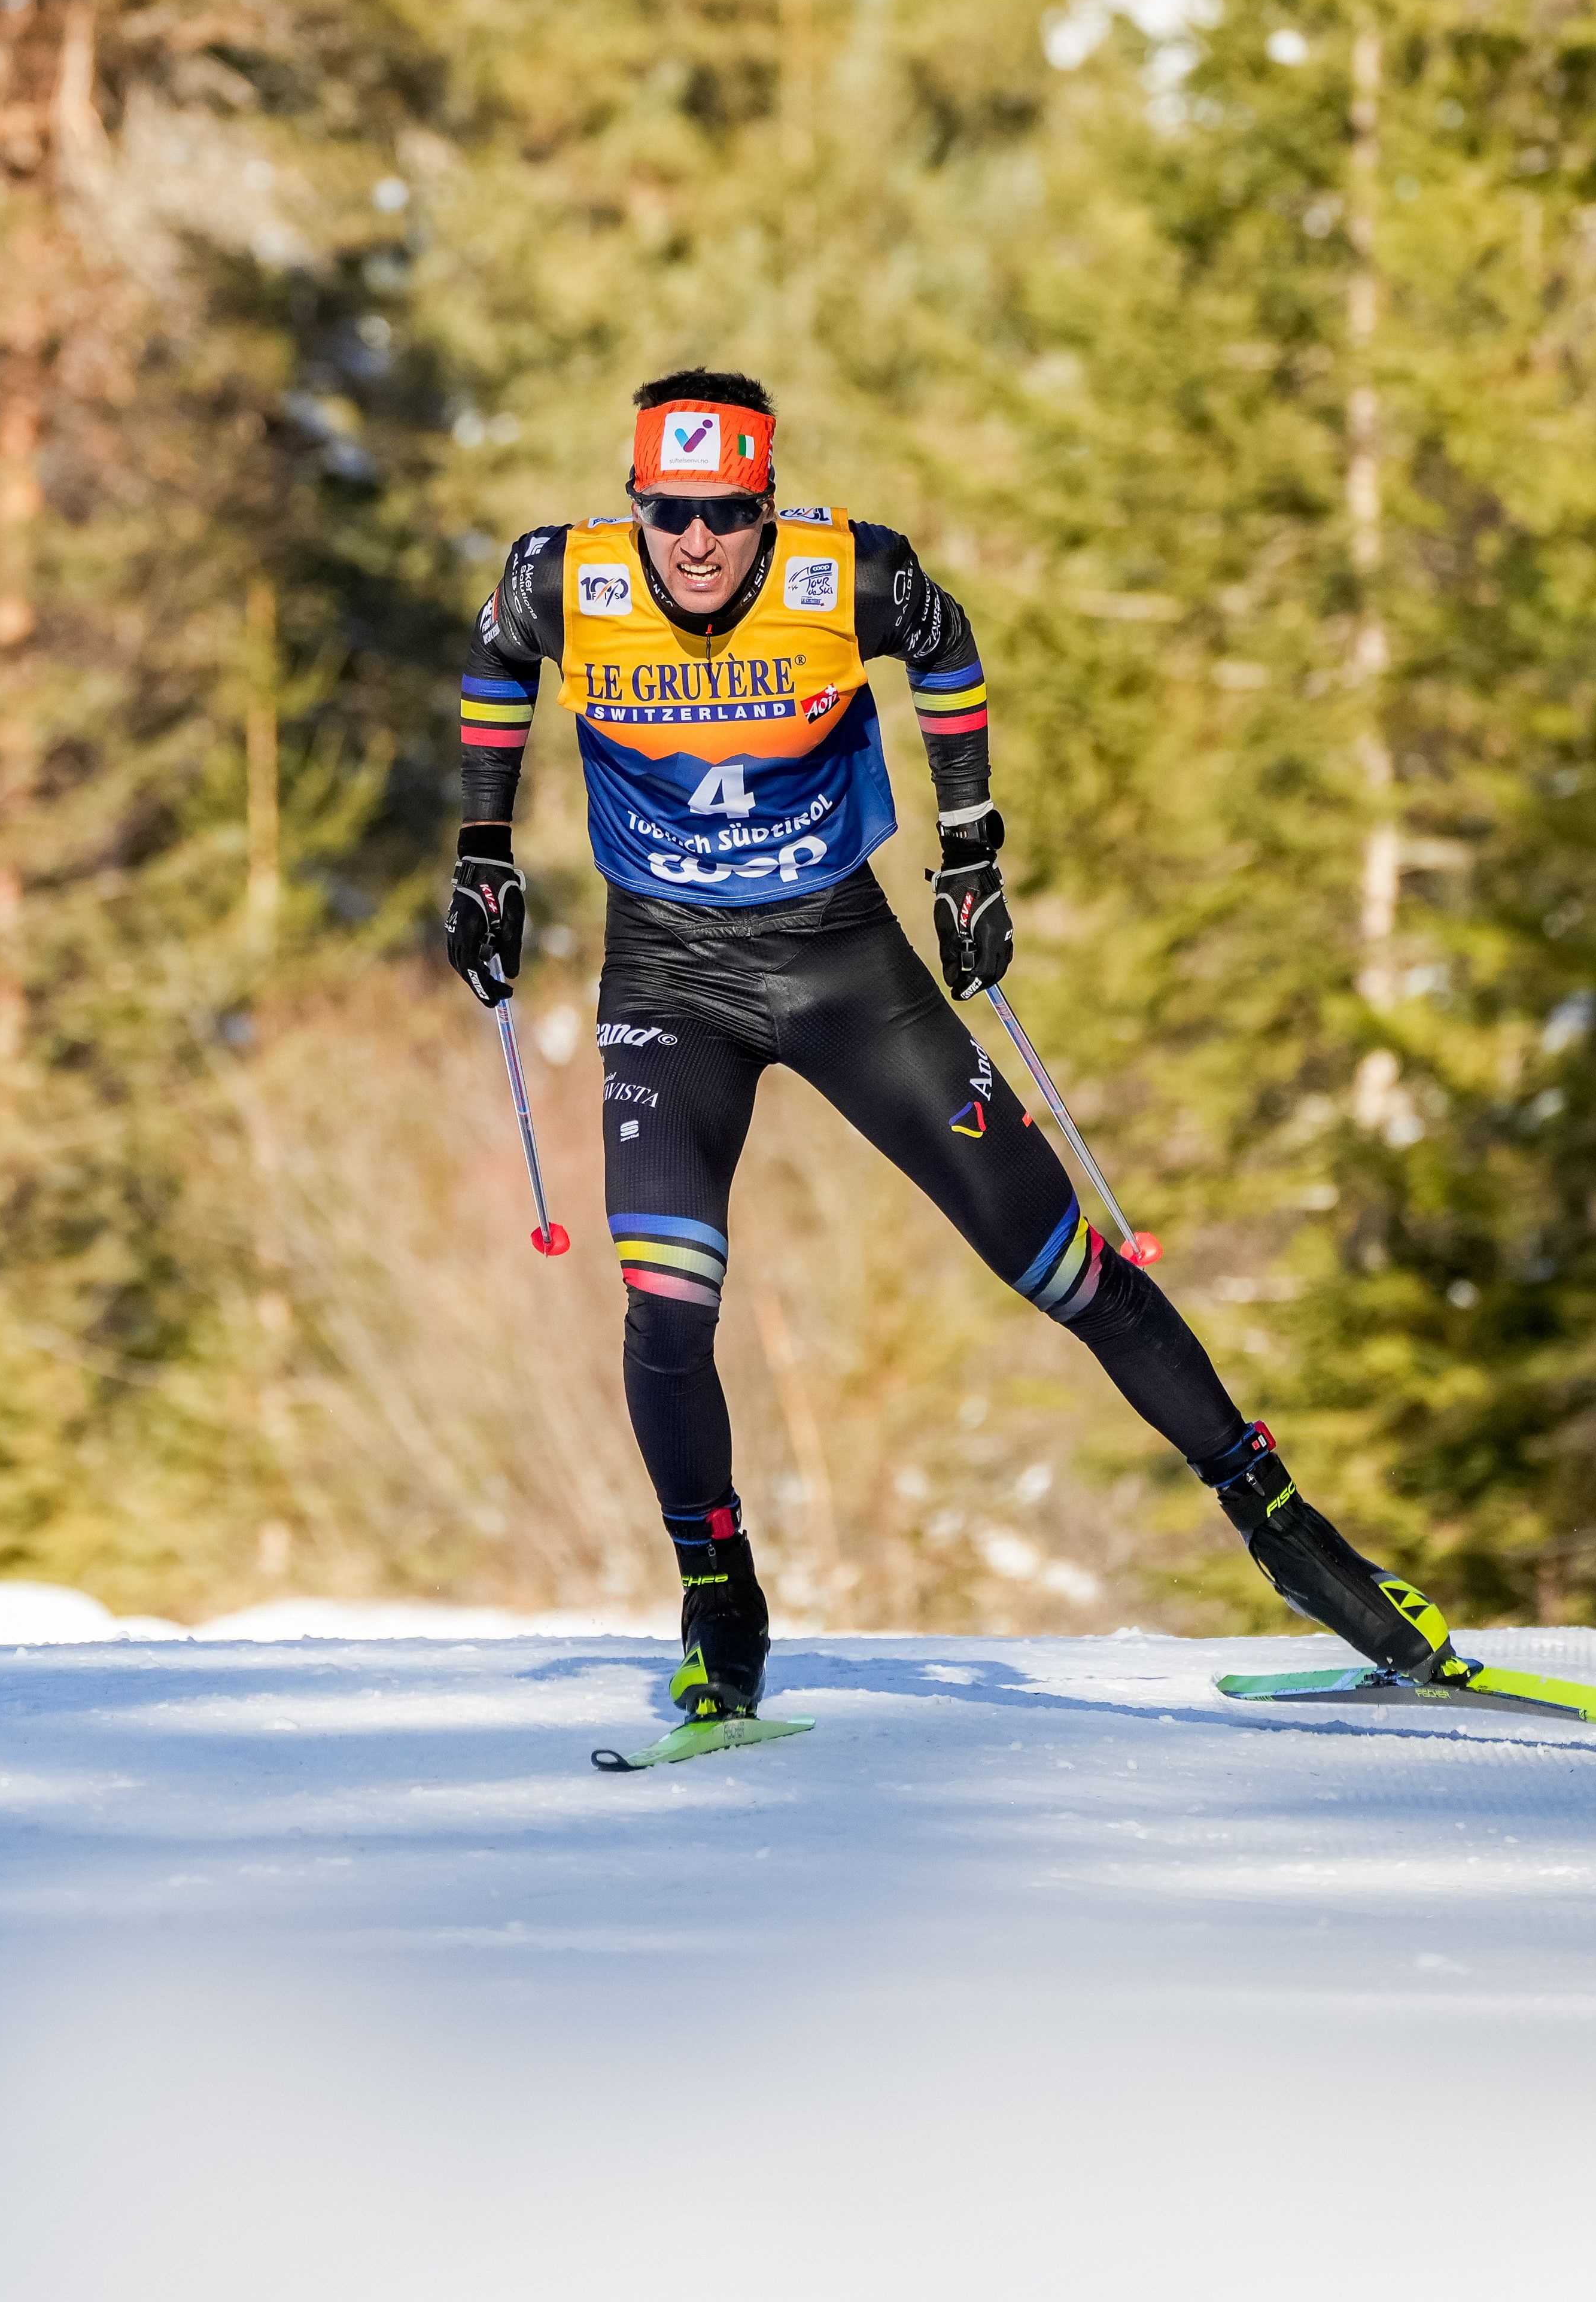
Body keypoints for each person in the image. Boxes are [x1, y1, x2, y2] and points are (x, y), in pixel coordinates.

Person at [443, 369, 1457, 1724]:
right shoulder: (561, 582)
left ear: (768, 505)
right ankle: (720, 1599)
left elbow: (949, 649)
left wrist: (969, 851)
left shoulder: (843, 577)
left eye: (728, 514)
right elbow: (497, 663)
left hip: (844, 968)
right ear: (636, 504)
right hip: (670, 981)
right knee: (667, 1302)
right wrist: (482, 851)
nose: (697, 543)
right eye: (671, 513)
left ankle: (1290, 1534)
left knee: (1064, 1267)